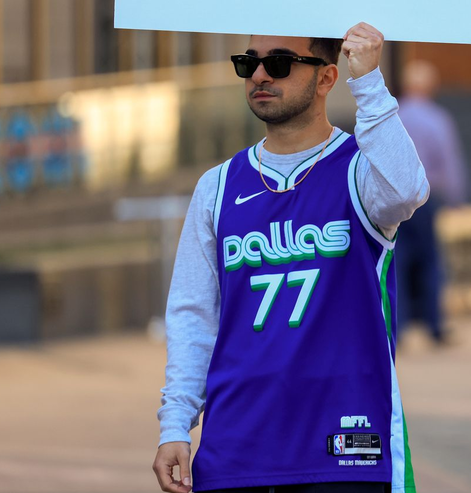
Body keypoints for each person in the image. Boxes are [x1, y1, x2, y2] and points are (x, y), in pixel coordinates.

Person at [153, 24, 428, 493]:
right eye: (249, 62)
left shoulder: (360, 171)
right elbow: (193, 316)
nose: (260, 74)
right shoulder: (216, 187)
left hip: (347, 449)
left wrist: (369, 82)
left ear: (325, 78)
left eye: (279, 62)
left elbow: (408, 191)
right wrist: (176, 422)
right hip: (236, 452)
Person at [393, 60, 468, 344]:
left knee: (396, 262)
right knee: (430, 261)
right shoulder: (437, 118)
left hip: (394, 196)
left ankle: (396, 330)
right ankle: (434, 326)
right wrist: (456, 197)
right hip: (427, 197)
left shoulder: (392, 115)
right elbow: (449, 161)